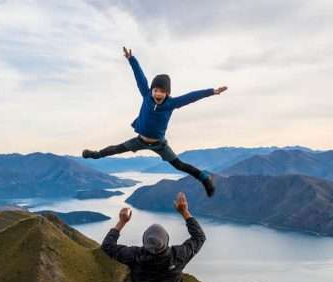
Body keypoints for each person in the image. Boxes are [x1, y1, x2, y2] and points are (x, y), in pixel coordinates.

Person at [83, 46, 228, 197]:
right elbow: (140, 77)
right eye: (156, 90)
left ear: (167, 92)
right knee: (116, 148)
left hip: (159, 144)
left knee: (179, 165)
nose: (158, 93)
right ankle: (95, 154)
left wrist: (212, 91)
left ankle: (205, 178)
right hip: (140, 140)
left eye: (162, 91)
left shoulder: (171, 103)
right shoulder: (146, 95)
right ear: (151, 90)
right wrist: (132, 59)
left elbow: (191, 97)